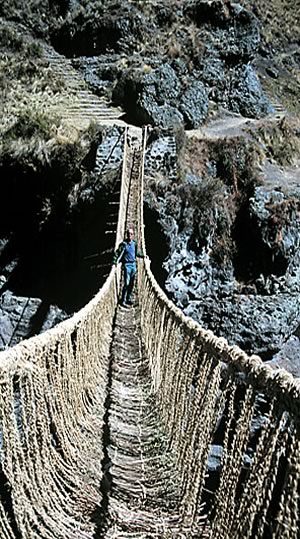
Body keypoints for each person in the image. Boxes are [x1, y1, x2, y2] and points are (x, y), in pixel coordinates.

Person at [113, 227, 144, 307]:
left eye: (131, 234)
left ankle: (128, 298)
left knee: (131, 283)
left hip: (133, 265)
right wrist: (114, 262)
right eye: (128, 234)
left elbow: (136, 253)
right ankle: (123, 300)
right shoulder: (123, 245)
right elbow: (117, 253)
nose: (130, 235)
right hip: (127, 265)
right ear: (126, 235)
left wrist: (144, 256)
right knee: (126, 283)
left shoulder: (134, 243)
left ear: (133, 235)